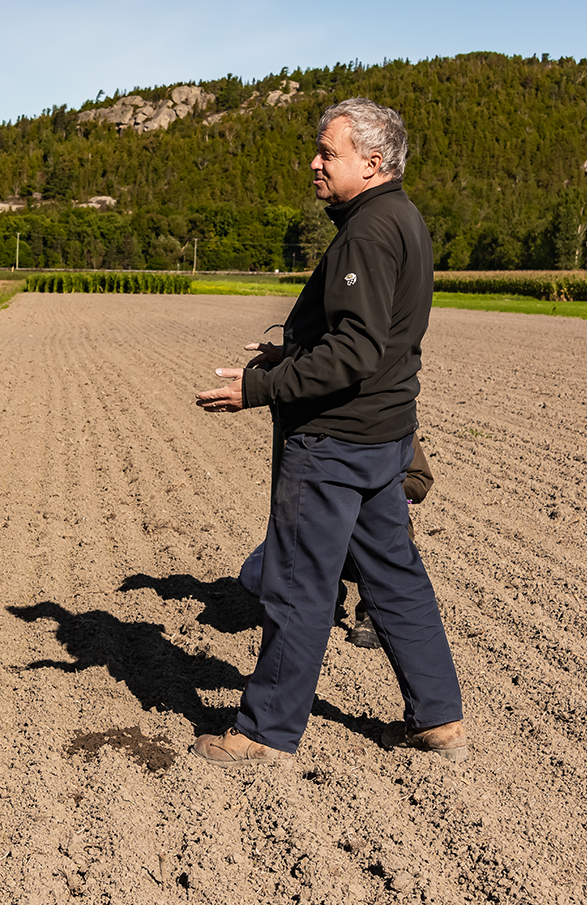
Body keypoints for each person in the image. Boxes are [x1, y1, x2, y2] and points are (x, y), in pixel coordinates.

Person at [192, 98, 466, 767]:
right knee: (396, 578)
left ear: (372, 163)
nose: (313, 163)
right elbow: (371, 340)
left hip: (334, 445)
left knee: (298, 586)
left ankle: (264, 734)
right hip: (382, 438)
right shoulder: (401, 219)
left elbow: (356, 351)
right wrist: (291, 355)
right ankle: (439, 721)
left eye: (327, 153)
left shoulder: (366, 233)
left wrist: (259, 387)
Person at [237, 427, 434, 650]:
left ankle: (373, 610)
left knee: (389, 539)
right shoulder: (310, 424)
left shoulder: (391, 421)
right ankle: (324, 593)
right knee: (256, 574)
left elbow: (421, 480)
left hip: (373, 521)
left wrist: (377, 490)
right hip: (321, 522)